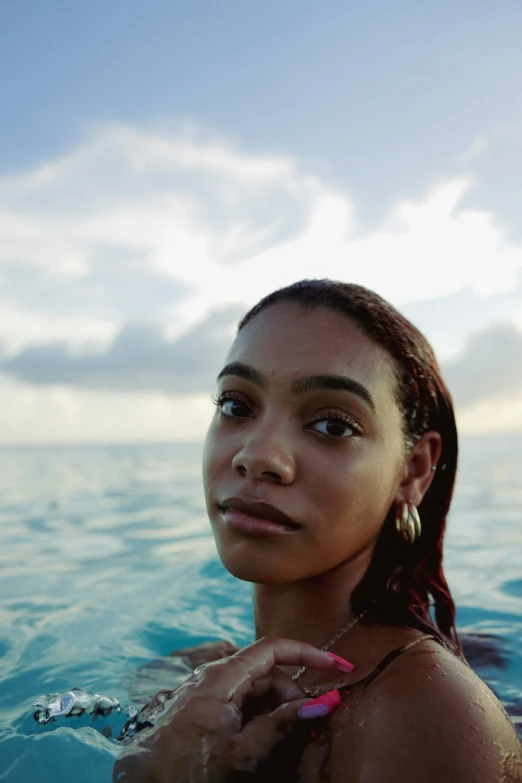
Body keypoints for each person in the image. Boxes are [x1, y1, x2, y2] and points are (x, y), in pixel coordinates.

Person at [114, 279, 522, 782]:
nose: (257, 456)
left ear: (412, 471)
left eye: (332, 425)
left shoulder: (425, 718)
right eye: (236, 405)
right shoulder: (184, 680)